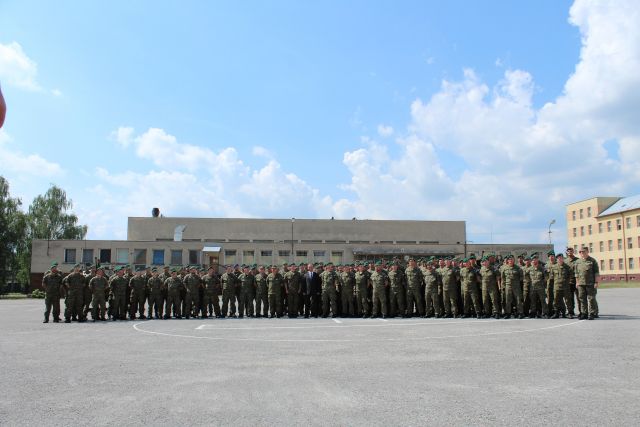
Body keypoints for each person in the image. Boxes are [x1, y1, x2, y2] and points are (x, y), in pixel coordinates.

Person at [575, 247, 599, 320]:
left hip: (590, 283)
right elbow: (576, 273)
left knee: (591, 299)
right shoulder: (578, 262)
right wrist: (577, 282)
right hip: (581, 284)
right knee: (582, 299)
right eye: (580, 252)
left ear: (587, 252)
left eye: (583, 251)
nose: (582, 253)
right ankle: (584, 313)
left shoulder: (592, 261)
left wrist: (596, 282)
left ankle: (592, 313)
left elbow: (596, 273)